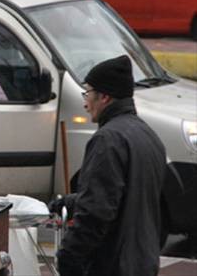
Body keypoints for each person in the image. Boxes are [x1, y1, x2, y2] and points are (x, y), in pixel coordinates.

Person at [49, 55, 166, 276]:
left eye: (88, 93)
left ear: (104, 97)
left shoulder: (107, 140)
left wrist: (68, 258)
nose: (85, 103)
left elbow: (96, 212)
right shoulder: (148, 135)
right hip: (143, 263)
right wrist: (72, 201)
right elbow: (130, 198)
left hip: (113, 265)